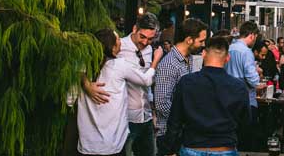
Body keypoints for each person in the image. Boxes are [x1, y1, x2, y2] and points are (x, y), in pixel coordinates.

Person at [163, 36, 251, 156]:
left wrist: (169, 149)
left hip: (192, 146)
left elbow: (175, 121)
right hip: (224, 147)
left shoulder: (187, 82)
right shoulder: (238, 87)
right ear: (227, 58)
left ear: (203, 54)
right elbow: (245, 123)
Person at [77, 29, 155, 156]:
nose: (121, 42)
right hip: (112, 146)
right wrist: (155, 60)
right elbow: (146, 80)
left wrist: (84, 82)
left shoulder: (82, 68)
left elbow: (70, 99)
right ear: (112, 48)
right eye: (118, 39)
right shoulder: (119, 65)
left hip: (87, 145)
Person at [155, 18, 208, 156]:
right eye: (201, 41)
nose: (203, 44)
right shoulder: (169, 64)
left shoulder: (189, 58)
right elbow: (161, 103)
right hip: (169, 134)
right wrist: (183, 118)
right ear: (189, 39)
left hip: (182, 132)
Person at [116, 13, 163, 156]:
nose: (145, 42)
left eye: (150, 39)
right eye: (142, 37)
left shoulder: (150, 49)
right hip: (125, 117)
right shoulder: (119, 47)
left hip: (146, 116)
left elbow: (148, 84)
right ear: (135, 29)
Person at [224, 21, 265, 151]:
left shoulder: (229, 48)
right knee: (246, 139)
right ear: (252, 35)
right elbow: (253, 80)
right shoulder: (246, 52)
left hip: (228, 99)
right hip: (246, 100)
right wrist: (258, 77)